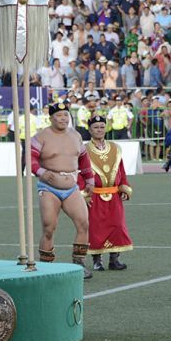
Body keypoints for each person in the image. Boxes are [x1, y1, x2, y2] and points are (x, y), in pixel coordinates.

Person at [31, 101, 95, 279]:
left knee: (83, 223)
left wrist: (89, 180)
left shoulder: (76, 135)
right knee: (49, 227)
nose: (63, 118)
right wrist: (42, 172)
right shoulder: (40, 137)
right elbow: (31, 159)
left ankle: (79, 263)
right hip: (48, 188)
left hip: (71, 187)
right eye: (58, 115)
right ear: (50, 118)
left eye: (65, 115)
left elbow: (83, 159)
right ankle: (46, 267)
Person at [78, 115, 132, 272]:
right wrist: (84, 194)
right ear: (90, 130)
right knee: (96, 228)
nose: (99, 130)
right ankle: (97, 260)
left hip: (114, 195)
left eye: (102, 126)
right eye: (96, 127)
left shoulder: (115, 148)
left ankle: (114, 259)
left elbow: (121, 170)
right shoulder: (84, 150)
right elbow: (80, 173)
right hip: (94, 195)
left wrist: (124, 187)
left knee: (117, 226)